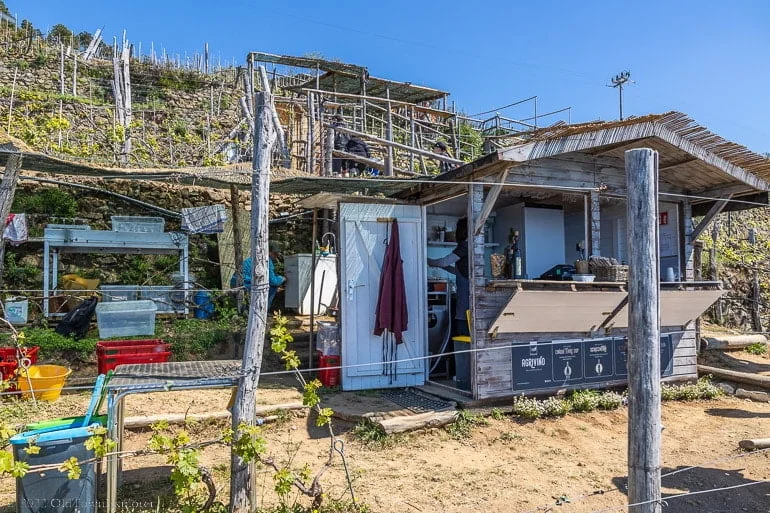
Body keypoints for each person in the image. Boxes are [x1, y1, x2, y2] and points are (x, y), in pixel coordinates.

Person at [427, 217, 469, 338]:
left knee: (462, 335)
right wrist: (441, 266)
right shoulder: (471, 246)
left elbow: (444, 262)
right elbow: (458, 271)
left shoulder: (464, 246)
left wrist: (428, 261)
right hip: (467, 304)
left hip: (464, 303)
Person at [230, 245, 286, 310]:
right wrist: (282, 278)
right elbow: (273, 281)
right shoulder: (266, 261)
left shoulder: (256, 258)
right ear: (269, 252)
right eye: (275, 254)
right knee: (272, 287)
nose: (276, 256)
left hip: (235, 282)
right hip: (244, 284)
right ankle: (263, 310)